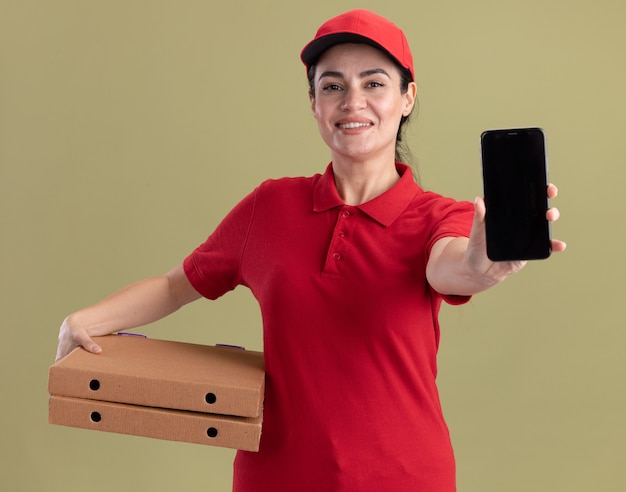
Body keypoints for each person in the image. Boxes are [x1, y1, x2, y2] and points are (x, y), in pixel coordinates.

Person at [56, 9, 566, 492]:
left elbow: (454, 267)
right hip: (275, 477)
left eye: (374, 83)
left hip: (407, 477)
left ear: (407, 97)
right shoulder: (269, 207)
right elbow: (177, 284)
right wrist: (84, 320)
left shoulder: (438, 217)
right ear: (314, 103)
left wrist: (483, 261)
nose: (352, 102)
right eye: (332, 87)